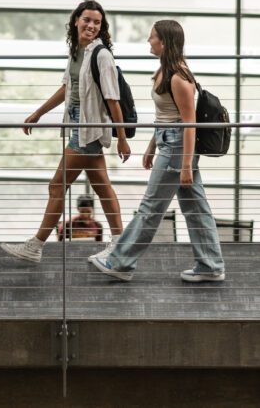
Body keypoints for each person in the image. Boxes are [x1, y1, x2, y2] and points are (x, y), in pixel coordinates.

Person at [90, 19, 225, 282]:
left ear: (164, 41)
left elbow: (189, 124)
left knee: (150, 207)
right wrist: (152, 147)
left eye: (152, 37)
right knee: (196, 207)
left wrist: (185, 165)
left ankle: (120, 263)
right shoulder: (165, 71)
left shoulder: (178, 77)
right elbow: (165, 116)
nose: (148, 41)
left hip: (177, 148)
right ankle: (210, 265)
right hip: (168, 142)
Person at [1, 0, 131, 263]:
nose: (91, 25)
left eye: (97, 22)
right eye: (87, 20)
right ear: (76, 21)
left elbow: (113, 98)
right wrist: (39, 113)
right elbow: (66, 88)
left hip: (87, 128)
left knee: (57, 186)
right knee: (103, 188)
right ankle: (120, 246)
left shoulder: (102, 55)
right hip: (77, 123)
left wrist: (123, 139)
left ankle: (35, 245)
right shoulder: (77, 51)